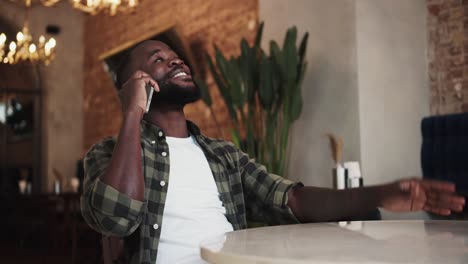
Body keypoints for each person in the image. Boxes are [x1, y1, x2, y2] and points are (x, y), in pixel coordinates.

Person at [80, 40, 465, 264]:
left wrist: (381, 193)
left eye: (174, 56)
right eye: (158, 60)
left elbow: (292, 199)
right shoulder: (110, 152)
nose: (175, 60)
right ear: (134, 83)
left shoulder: (222, 155)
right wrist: (133, 112)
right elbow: (116, 220)